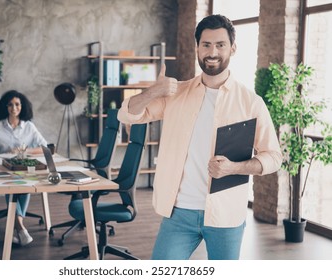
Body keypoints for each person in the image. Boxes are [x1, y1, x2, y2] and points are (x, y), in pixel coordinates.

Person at [118, 14, 282, 260]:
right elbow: (127, 115)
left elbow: (274, 157)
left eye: (220, 45)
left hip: (225, 215)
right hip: (178, 213)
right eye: (206, 44)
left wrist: (234, 168)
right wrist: (154, 91)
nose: (212, 52)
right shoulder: (177, 94)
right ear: (197, 48)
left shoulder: (251, 103)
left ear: (233, 48)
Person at [0, 90, 47, 246]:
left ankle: (17, 228)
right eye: (10, 105)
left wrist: (25, 151)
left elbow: (46, 147)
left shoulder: (29, 127)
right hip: (3, 168)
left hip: (23, 167)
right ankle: (20, 227)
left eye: (17, 104)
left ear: (22, 106)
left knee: (27, 183)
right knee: (12, 186)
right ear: (5, 107)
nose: (14, 108)